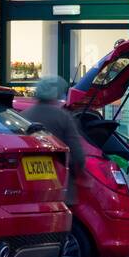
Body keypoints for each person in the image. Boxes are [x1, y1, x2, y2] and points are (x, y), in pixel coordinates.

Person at [21, 75, 86, 205]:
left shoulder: (22, 117)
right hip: (60, 187)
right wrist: (80, 172)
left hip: (30, 190)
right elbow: (77, 155)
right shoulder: (63, 118)